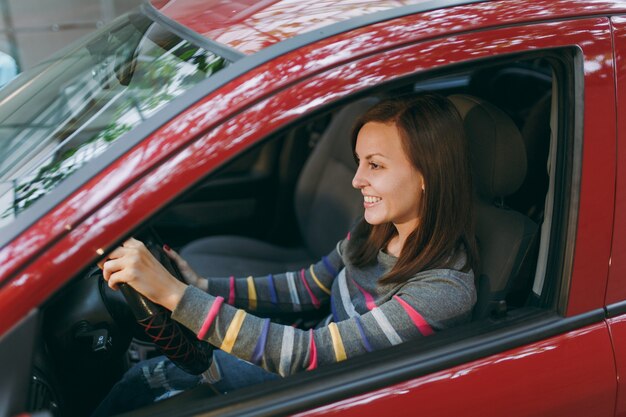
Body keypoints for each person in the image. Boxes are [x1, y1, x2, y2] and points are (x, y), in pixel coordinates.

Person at [93, 93, 479, 416]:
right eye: (359, 161)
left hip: (324, 389)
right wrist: (200, 285)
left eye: (374, 165)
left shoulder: (442, 290)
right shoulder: (374, 230)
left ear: (428, 172)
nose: (356, 179)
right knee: (138, 381)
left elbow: (311, 354)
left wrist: (176, 297)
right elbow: (307, 287)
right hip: (305, 364)